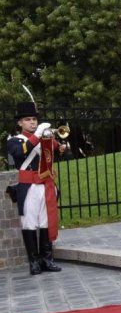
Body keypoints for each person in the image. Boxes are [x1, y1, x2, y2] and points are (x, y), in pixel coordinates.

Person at [7, 99, 66, 275]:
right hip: (29, 187)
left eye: (34, 119)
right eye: (27, 119)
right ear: (20, 123)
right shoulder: (14, 140)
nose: (32, 122)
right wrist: (38, 134)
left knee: (46, 222)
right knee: (29, 224)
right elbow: (21, 152)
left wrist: (61, 148)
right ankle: (34, 262)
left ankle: (47, 260)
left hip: (46, 185)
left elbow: (54, 154)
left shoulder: (44, 138)